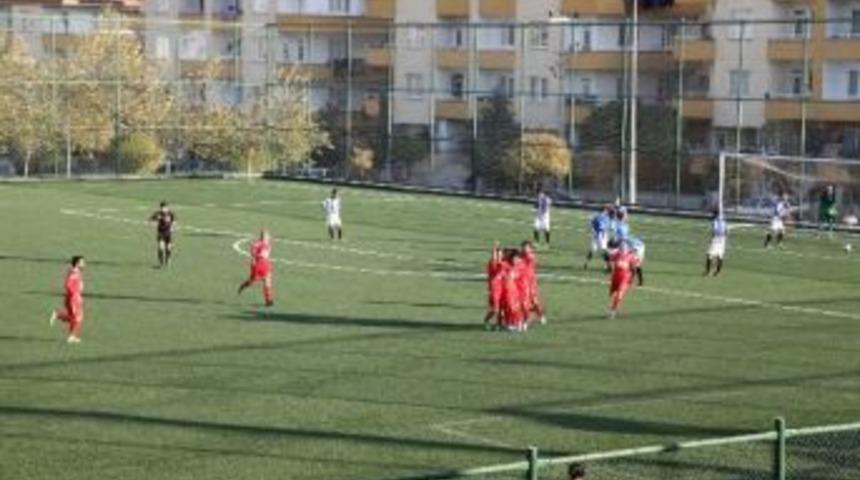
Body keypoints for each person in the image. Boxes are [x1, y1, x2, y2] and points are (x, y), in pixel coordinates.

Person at [49, 255, 86, 344]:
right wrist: (75, 295)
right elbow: (68, 284)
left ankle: (59, 316)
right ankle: (71, 336)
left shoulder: (76, 271)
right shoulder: (74, 272)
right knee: (77, 318)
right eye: (82, 262)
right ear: (77, 263)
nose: (84, 264)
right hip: (73, 298)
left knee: (75, 318)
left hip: (74, 297)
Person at [237, 230, 274, 307]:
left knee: (267, 280)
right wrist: (253, 261)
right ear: (262, 237)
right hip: (258, 264)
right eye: (265, 236)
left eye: (267, 236)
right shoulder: (257, 244)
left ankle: (269, 301)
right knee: (252, 281)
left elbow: (267, 256)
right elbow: (253, 252)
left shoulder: (268, 245)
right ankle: (244, 285)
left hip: (265, 264)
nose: (267, 237)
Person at [607, 240, 639, 319]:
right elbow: (610, 260)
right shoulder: (617, 254)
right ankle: (615, 307)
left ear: (627, 248)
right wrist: (610, 265)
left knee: (619, 295)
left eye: (624, 247)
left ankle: (612, 312)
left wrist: (632, 279)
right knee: (612, 294)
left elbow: (634, 269)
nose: (622, 248)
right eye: (621, 247)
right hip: (615, 277)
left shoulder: (630, 256)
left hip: (624, 279)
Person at [521, 241, 546, 325]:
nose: (524, 249)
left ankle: (540, 315)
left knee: (534, 301)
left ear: (530, 248)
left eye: (526, 247)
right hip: (522, 282)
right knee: (524, 301)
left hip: (531, 282)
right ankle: (526, 318)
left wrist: (530, 252)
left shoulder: (531, 256)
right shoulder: (521, 255)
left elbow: (532, 258)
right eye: (523, 247)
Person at [483, 242, 505, 330]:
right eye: (497, 255)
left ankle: (498, 325)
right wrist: (494, 248)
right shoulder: (492, 264)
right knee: (495, 309)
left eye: (500, 255)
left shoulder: (502, 263)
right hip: (494, 290)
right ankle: (486, 321)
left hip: (502, 290)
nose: (499, 257)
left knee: (501, 310)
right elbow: (493, 259)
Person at [149, 201, 177, 268]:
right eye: (163, 207)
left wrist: (172, 227)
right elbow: (151, 220)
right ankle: (161, 262)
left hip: (168, 233)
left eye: (165, 207)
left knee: (169, 248)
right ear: (160, 208)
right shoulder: (158, 214)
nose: (164, 209)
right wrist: (153, 223)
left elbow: (174, 221)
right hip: (161, 233)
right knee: (161, 248)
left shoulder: (170, 214)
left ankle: (168, 260)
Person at [584, 205, 611, 271]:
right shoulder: (605, 217)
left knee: (593, 249)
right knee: (602, 250)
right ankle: (608, 265)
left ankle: (586, 263)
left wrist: (592, 231)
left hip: (596, 235)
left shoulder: (596, 216)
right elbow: (604, 227)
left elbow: (591, 224)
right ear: (605, 210)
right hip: (601, 235)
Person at [705, 210, 727, 277]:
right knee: (720, 256)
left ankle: (708, 272)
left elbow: (715, 230)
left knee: (709, 255)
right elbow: (726, 231)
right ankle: (718, 272)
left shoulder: (715, 221)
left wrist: (712, 238)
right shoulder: (723, 221)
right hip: (722, 239)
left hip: (716, 238)